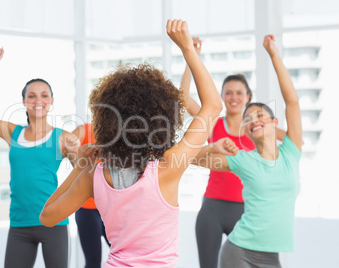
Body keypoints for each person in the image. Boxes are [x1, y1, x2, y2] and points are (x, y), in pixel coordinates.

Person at [39, 19, 224, 267]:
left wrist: (80, 167)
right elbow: (212, 104)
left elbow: (47, 217)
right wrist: (187, 49)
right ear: (161, 121)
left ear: (108, 122)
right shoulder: (168, 166)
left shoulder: (93, 174)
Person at [192, 34, 302, 268]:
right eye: (248, 119)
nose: (254, 120)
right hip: (239, 251)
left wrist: (274, 56)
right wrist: (212, 147)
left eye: (260, 115)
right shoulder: (243, 159)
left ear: (274, 122)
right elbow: (191, 159)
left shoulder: (291, 153)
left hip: (271, 255)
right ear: (247, 132)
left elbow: (292, 101)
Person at [0, 48, 80, 268]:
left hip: (53, 222)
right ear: (24, 101)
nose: (38, 100)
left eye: (44, 95)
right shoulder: (14, 133)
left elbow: (81, 173)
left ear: (51, 101)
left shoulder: (62, 137)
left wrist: (76, 152)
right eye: (32, 96)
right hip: (19, 224)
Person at [71, 123, 110, 268]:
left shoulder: (121, 132)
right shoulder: (86, 129)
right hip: (87, 209)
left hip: (112, 207)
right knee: (93, 262)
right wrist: (77, 158)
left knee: (127, 258)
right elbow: (65, 143)